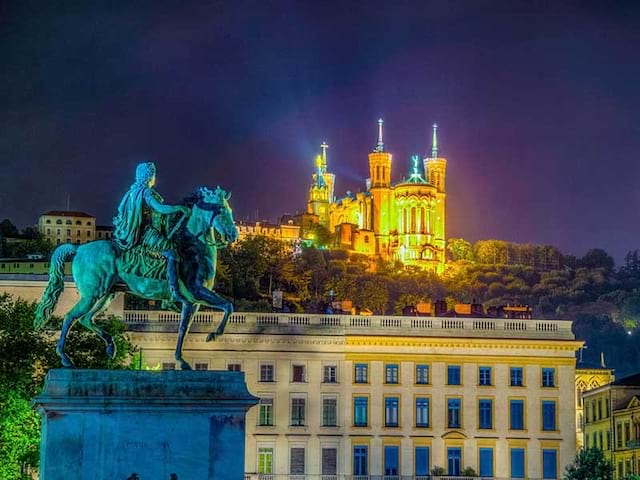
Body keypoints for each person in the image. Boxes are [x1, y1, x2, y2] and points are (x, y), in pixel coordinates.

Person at [113, 162, 189, 302]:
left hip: (140, 231)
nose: (155, 177)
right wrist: (179, 208)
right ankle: (174, 291)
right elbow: (159, 208)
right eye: (153, 174)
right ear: (149, 176)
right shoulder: (146, 192)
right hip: (147, 233)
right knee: (173, 253)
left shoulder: (133, 191)